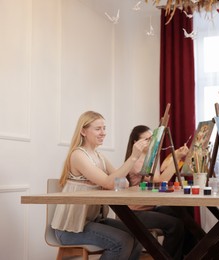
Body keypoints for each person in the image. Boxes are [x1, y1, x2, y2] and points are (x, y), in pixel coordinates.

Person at [51, 111, 148, 260]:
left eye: (104, 128)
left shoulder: (100, 156)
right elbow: (110, 182)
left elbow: (125, 183)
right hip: (70, 228)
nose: (103, 133)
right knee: (122, 242)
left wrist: (111, 180)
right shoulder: (78, 155)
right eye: (98, 129)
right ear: (83, 131)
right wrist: (134, 156)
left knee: (139, 234)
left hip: (92, 221)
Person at [125, 125, 194, 260]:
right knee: (175, 225)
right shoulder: (137, 162)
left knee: (185, 211)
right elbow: (160, 180)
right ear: (135, 143)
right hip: (135, 213)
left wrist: (176, 157)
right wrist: (176, 157)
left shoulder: (149, 158)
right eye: (147, 139)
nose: (152, 142)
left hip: (149, 207)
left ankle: (192, 253)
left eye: (153, 138)